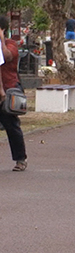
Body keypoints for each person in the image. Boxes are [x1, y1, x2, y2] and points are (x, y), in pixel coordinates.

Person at [0, 15, 27, 171]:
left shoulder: (11, 45)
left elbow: (6, 56)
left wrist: (1, 39)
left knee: (11, 125)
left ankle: (20, 158)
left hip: (8, 88)